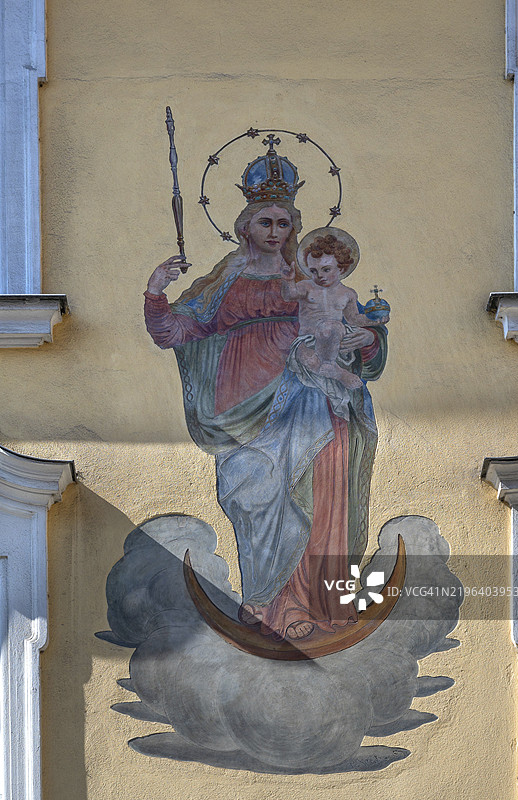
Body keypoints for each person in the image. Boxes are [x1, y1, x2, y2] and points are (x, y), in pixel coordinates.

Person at [144, 145, 388, 641]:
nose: (275, 232)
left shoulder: (311, 279)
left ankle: (321, 602)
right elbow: (175, 332)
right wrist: (155, 292)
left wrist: (367, 339)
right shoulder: (223, 281)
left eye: (283, 223)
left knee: (322, 486)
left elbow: (354, 333)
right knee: (256, 494)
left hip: (306, 393)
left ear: (294, 229)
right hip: (241, 404)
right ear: (245, 227)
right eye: (265, 222)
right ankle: (266, 601)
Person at [280, 232, 383, 391]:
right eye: (313, 271)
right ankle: (337, 373)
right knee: (304, 356)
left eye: (326, 269)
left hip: (333, 339)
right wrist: (288, 281)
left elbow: (354, 319)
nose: (319, 275)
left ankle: (330, 366)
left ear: (341, 268)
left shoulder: (348, 293)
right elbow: (289, 296)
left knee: (329, 327)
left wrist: (374, 320)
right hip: (308, 338)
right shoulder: (306, 287)